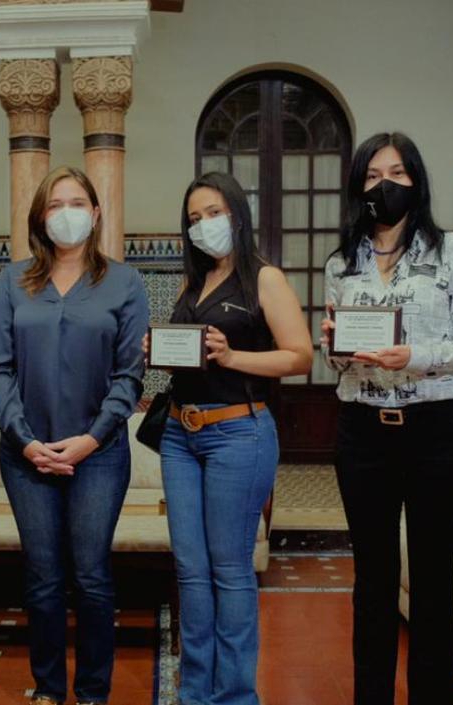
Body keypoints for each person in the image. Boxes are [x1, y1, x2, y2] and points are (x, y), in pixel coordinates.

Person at [320, 132, 453, 705]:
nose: (384, 185)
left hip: (436, 430)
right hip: (362, 431)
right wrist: (335, 346)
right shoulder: (342, 261)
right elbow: (338, 355)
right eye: (371, 175)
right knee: (371, 579)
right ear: (357, 186)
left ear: (416, 181)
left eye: (396, 173)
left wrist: (413, 357)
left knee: (433, 579)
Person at [147, 172, 311, 705]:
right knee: (190, 572)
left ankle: (236, 696)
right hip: (179, 434)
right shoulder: (191, 284)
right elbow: (183, 354)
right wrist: (157, 346)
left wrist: (233, 355)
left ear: (237, 216)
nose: (203, 226)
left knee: (230, 569)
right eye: (193, 219)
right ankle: (195, 693)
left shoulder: (264, 279)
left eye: (212, 213)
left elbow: (300, 356)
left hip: (238, 432)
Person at [0, 165, 149, 705]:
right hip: (24, 452)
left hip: (98, 456)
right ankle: (50, 689)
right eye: (54, 204)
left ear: (96, 212)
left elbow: (130, 376)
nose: (66, 214)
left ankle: (93, 692)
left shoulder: (125, 283)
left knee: (93, 576)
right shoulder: (11, 281)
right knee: (41, 579)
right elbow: (0, 369)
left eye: (77, 202)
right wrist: (25, 440)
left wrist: (91, 439)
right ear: (40, 216)